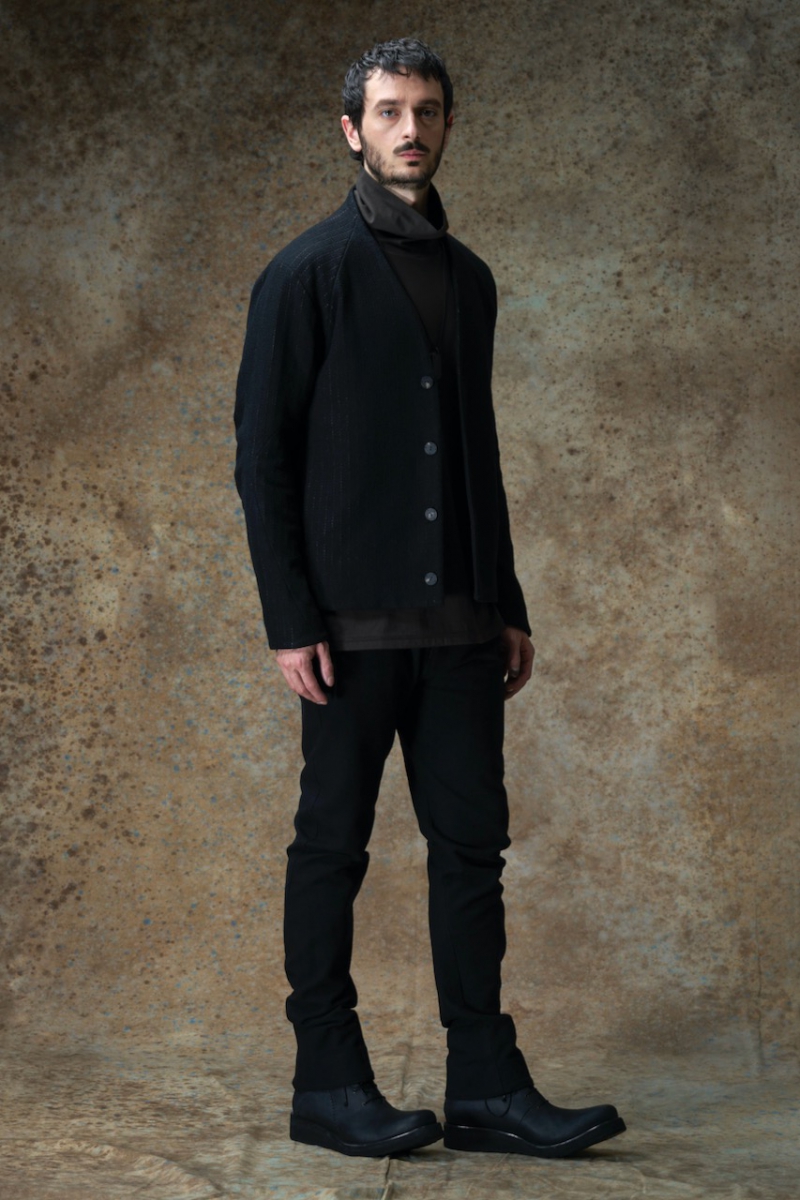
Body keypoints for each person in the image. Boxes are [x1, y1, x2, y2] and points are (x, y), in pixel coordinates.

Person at [234, 37, 625, 1160]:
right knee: (331, 849)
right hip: (345, 636)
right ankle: (326, 1083)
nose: (411, 128)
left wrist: (506, 601)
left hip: (460, 628)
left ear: (448, 125)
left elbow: (473, 454)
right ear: (350, 130)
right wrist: (289, 621)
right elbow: (261, 459)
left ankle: (487, 1090)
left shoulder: (471, 279)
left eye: (429, 110)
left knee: (471, 855)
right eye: (389, 111)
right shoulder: (305, 273)